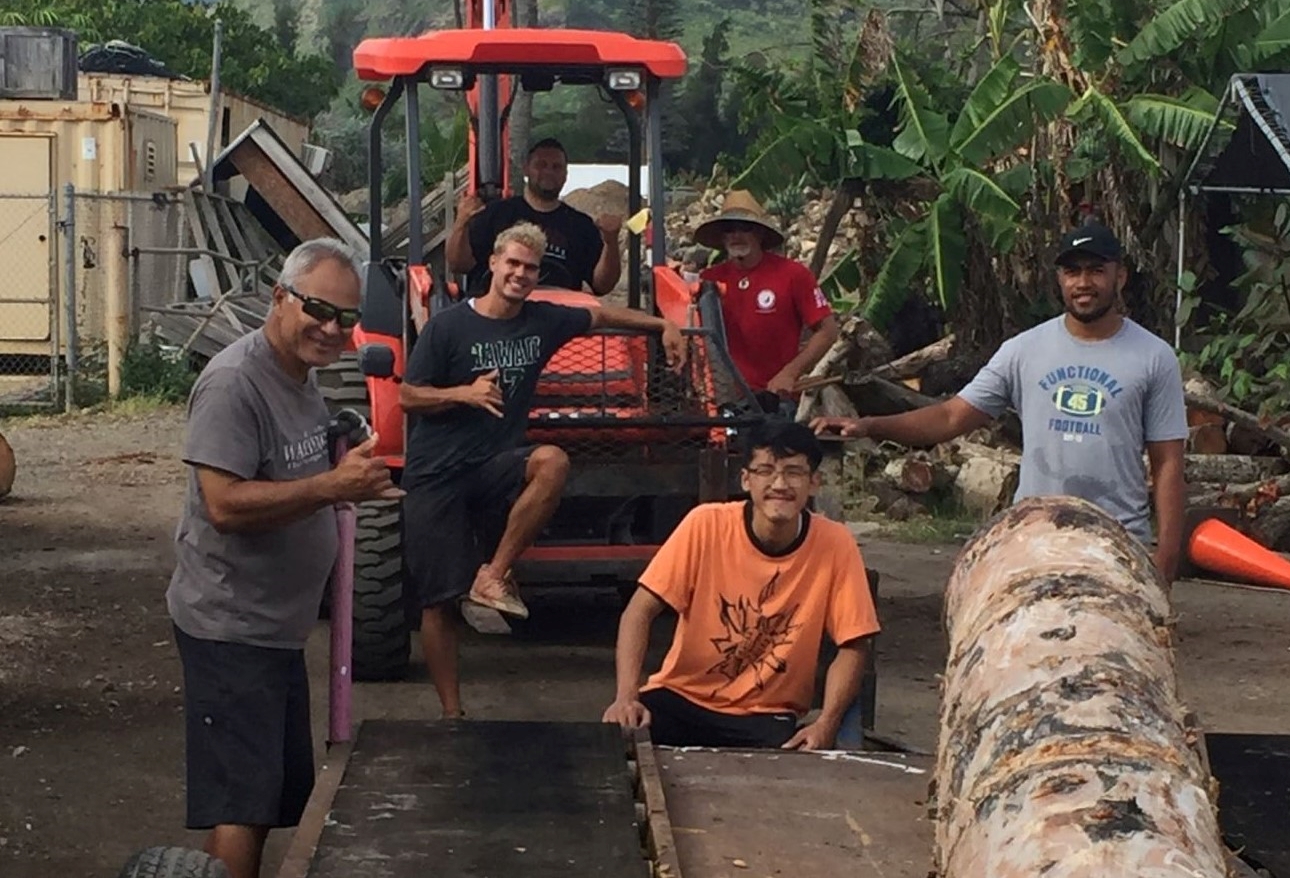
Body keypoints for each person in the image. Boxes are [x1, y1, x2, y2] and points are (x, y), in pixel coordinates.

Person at [166, 239, 398, 878]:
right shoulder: (235, 383)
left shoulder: (299, 374)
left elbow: (291, 458)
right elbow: (224, 504)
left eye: (345, 319)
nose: (331, 329)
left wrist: (338, 449)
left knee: (265, 799)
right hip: (230, 626)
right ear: (279, 296)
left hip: (274, 628)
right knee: (242, 803)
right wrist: (333, 487)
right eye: (318, 309)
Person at [401, 221, 686, 718]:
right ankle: (452, 714)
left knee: (552, 460)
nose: (520, 274)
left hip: (495, 465)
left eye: (530, 268)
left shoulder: (542, 321)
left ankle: (494, 574)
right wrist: (461, 394)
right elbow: (407, 394)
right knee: (437, 602)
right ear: (492, 263)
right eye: (512, 263)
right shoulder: (448, 326)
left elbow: (599, 315)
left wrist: (662, 324)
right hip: (437, 473)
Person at [814, 222, 1188, 581]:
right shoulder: (1024, 351)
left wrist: (1166, 560)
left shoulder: (1153, 357)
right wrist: (869, 425)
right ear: (1060, 279)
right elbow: (949, 417)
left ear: (1119, 277)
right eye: (1072, 272)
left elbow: (1168, 461)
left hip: (1118, 541)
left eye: (1096, 271)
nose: (1084, 283)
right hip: (1035, 534)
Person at [602, 419, 880, 750]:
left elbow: (854, 644)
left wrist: (826, 722)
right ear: (746, 479)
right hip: (681, 696)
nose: (780, 484)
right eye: (766, 471)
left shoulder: (835, 542)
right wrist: (625, 697)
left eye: (793, 472)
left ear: (814, 483)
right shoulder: (705, 524)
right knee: (617, 741)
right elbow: (639, 610)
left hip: (766, 714)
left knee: (787, 773)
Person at [694, 190, 840, 410]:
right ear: (722, 237)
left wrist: (789, 373)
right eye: (729, 229)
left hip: (776, 398)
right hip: (723, 400)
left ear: (760, 234)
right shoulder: (708, 280)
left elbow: (827, 331)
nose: (736, 235)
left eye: (745, 228)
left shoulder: (793, 274)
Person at [445, 137, 623, 296]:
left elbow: (602, 286)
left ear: (565, 175)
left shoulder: (581, 226)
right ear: (526, 169)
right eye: (541, 165)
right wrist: (462, 221)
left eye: (556, 167)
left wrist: (611, 241)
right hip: (497, 316)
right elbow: (458, 265)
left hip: (561, 317)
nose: (548, 171)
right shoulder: (494, 215)